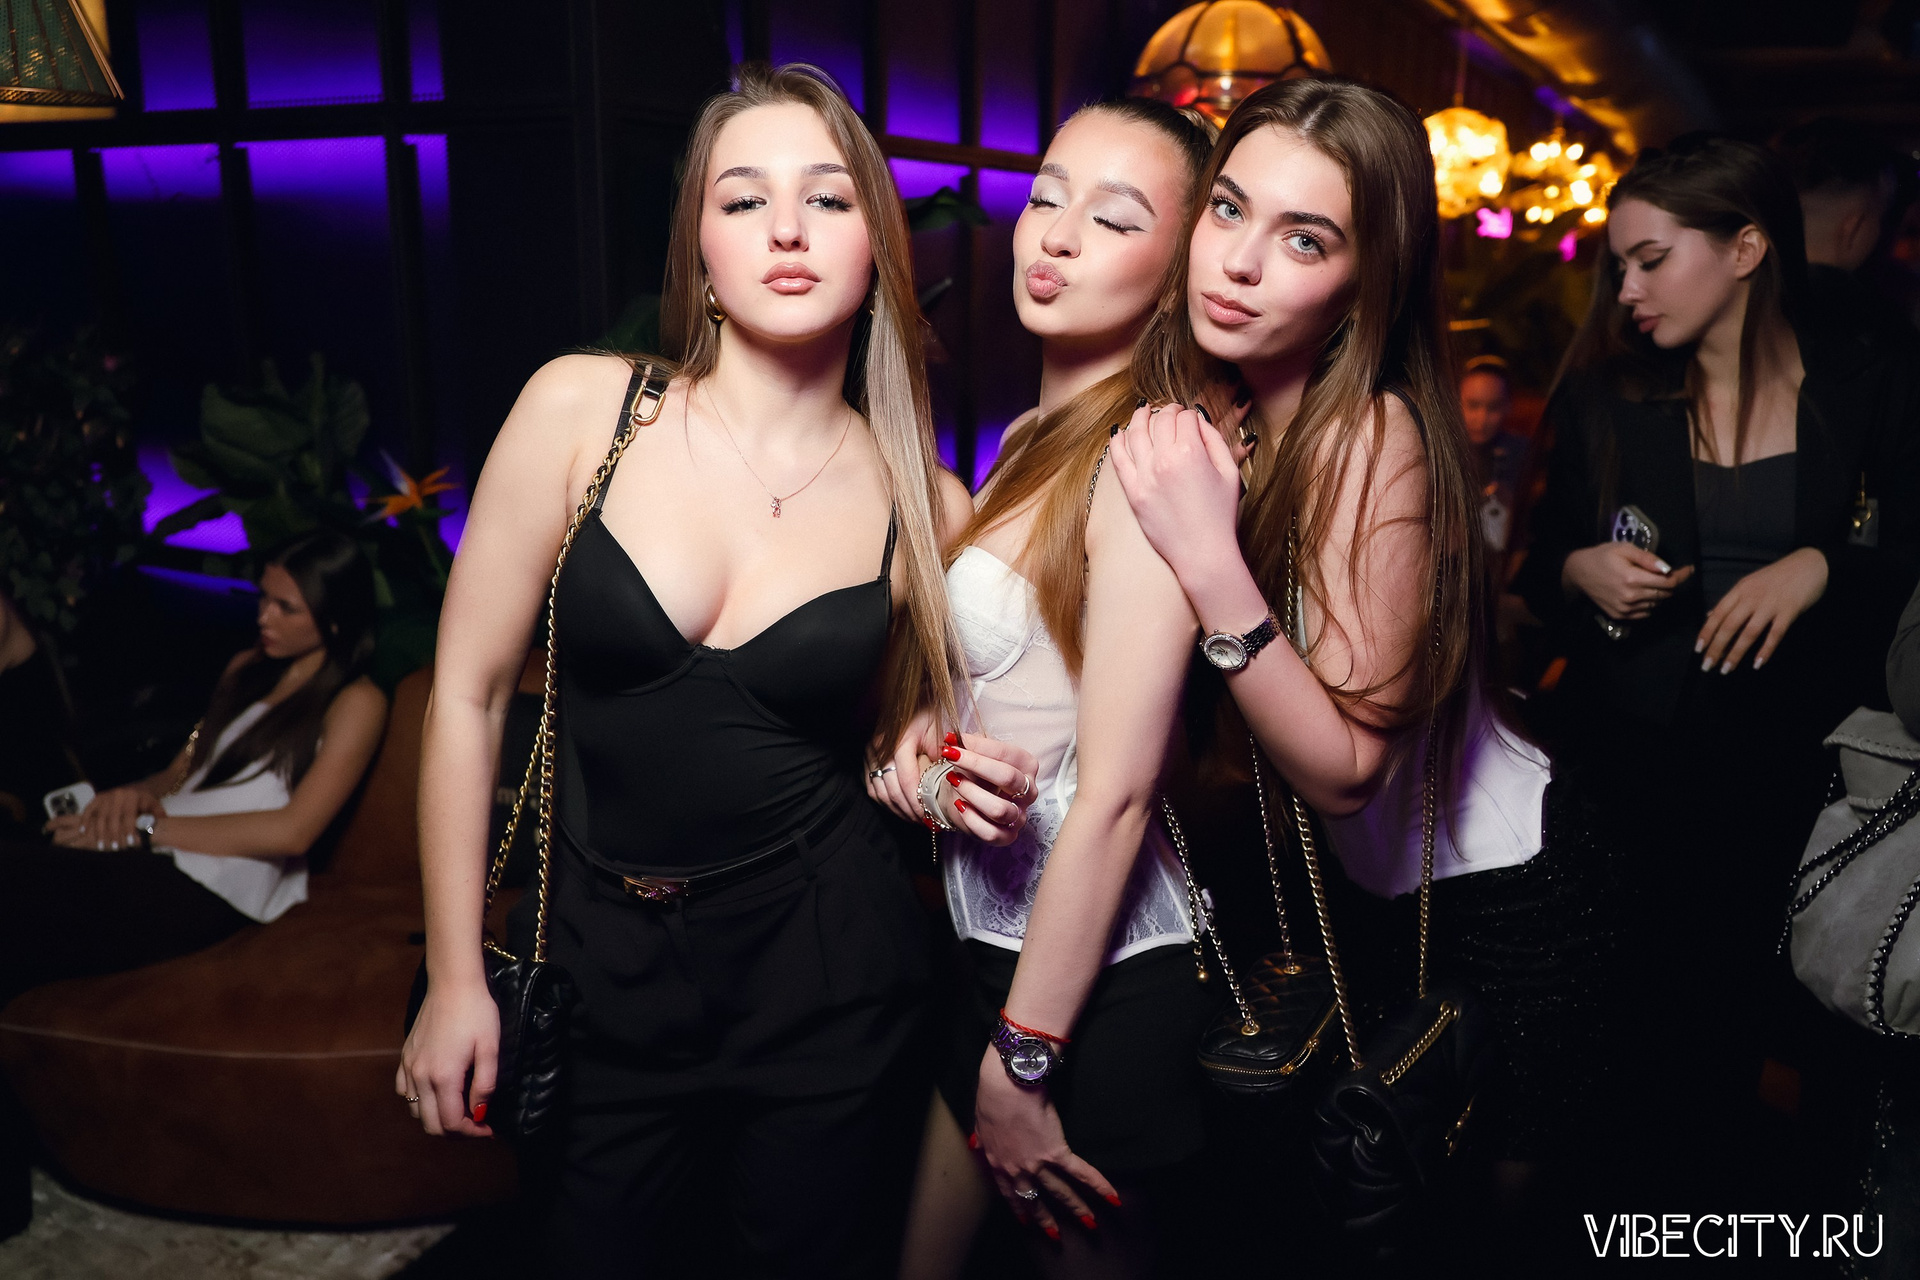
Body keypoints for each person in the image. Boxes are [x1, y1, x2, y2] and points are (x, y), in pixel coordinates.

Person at [398, 64, 1007, 1279]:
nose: (786, 229)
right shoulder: (584, 412)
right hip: (601, 974)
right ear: (701, 250)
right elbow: (466, 696)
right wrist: (456, 975)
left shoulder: (928, 503)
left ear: (879, 248)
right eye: (744, 199)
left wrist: (923, 755)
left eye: (827, 198)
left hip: (830, 978)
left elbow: (910, 735)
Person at [1110, 77, 1621, 1264]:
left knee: (1477, 1226)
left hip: (1510, 898)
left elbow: (1345, 769)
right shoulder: (1245, 416)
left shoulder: (1372, 432)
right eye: (1229, 208)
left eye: (1305, 238)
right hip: (1373, 901)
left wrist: (1205, 557)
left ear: (1365, 278)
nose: (1239, 261)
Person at [1513, 133, 1919, 1202]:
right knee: (1641, 1045)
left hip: (1806, 780)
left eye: (1650, 260)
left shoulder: (1869, 387)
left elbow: (1915, 558)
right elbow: (1532, 567)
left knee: (1782, 1040)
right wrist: (1579, 567)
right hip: (1639, 777)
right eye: (1619, 266)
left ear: (1745, 248)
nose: (1627, 290)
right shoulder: (1609, 398)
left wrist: (1822, 566)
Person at [880, 98, 1220, 1280]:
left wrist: (1026, 1053)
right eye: (1045, 197)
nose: (1057, 235)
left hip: (1097, 986)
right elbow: (987, 687)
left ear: (1176, 276)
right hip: (982, 949)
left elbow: (1119, 790)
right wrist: (920, 756)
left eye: (1113, 218)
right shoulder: (1034, 430)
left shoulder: (1149, 458)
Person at [1, 528, 387, 1237]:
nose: (263, 618)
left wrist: (151, 832)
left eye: (285, 607)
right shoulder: (246, 667)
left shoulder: (355, 701)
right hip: (161, 845)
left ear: (334, 620)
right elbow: (183, 776)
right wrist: (129, 800)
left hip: (226, 879)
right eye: (262, 599)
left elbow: (295, 830)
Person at [1458, 354, 1529, 553]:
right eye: (1473, 405)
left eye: (1494, 407)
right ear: (1456, 401)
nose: (1482, 418)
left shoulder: (1523, 453)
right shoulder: (1442, 453)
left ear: (1508, 406)